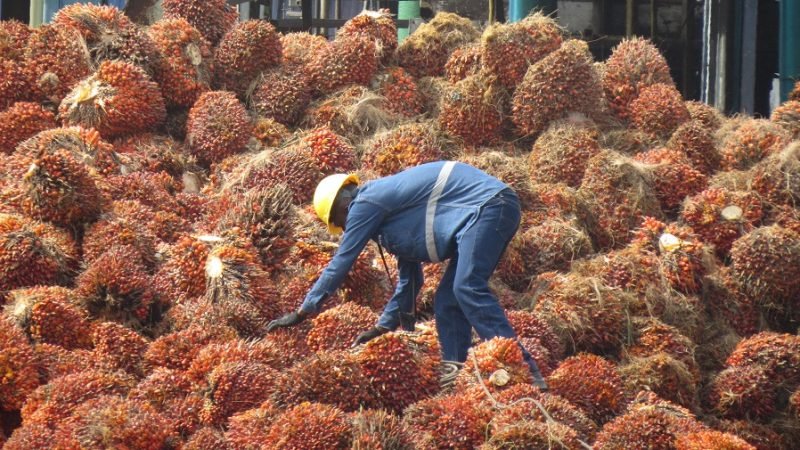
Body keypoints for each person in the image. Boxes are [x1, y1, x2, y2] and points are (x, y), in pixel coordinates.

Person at [266, 161, 547, 390]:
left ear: (342, 205)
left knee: (467, 287)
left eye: (340, 223)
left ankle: (525, 370)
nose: (347, 227)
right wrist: (382, 328)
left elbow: (342, 261)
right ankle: (455, 376)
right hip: (484, 213)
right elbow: (410, 282)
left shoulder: (366, 202)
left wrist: (304, 310)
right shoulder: (393, 219)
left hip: (488, 207)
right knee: (447, 301)